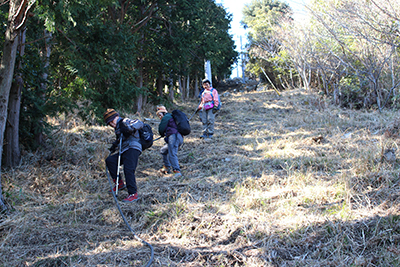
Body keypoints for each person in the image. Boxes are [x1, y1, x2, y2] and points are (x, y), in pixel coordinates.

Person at [104, 108, 144, 203]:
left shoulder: (125, 121)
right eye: (109, 123)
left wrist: (129, 128)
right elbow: (122, 139)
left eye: (111, 121)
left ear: (116, 116)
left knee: (128, 169)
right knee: (110, 160)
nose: (111, 124)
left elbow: (140, 123)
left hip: (133, 147)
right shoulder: (117, 128)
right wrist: (115, 145)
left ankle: (133, 194)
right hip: (124, 150)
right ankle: (119, 184)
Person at [156, 105, 183, 178]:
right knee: (163, 150)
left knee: (172, 153)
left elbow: (161, 128)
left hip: (174, 137)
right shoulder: (171, 117)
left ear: (162, 113)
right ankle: (166, 167)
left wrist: (161, 133)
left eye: (159, 115)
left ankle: (177, 171)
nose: (159, 117)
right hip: (178, 137)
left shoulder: (167, 117)